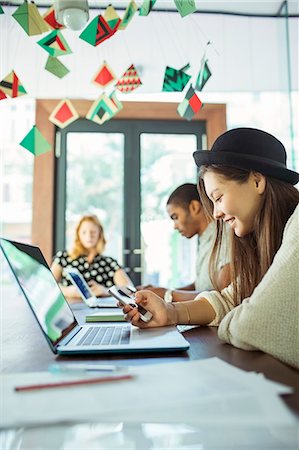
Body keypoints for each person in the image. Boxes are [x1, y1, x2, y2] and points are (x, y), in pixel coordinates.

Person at [121, 128, 299, 368]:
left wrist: (233, 317)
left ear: (257, 181)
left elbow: (250, 326)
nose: (216, 213)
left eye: (218, 197)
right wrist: (170, 312)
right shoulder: (267, 240)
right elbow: (230, 299)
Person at [138, 183, 231, 302]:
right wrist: (161, 292)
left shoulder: (225, 236)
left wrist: (168, 295)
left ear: (194, 207)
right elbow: (199, 287)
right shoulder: (205, 239)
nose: (175, 227)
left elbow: (220, 295)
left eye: (175, 217)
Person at [51, 214, 133, 303]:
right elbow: (49, 285)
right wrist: (66, 291)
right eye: (84, 232)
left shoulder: (109, 263)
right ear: (78, 234)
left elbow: (129, 288)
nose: (89, 236)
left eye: (93, 232)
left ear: (99, 234)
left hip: (99, 312)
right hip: (69, 310)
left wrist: (105, 291)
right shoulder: (64, 257)